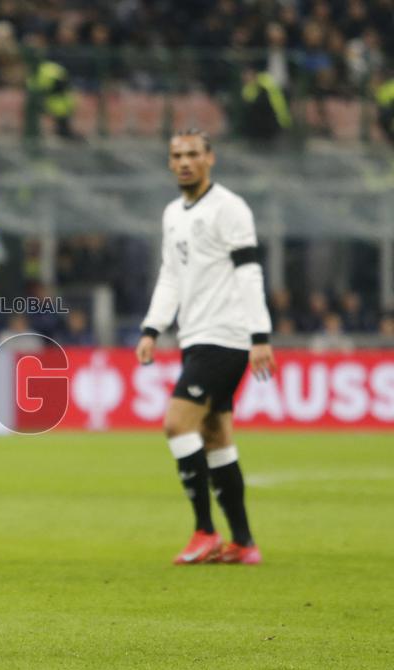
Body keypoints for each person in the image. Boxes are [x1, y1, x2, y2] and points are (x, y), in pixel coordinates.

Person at [135, 129, 276, 566]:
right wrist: (153, 327)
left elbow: (250, 273)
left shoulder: (230, 208)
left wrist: (260, 336)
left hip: (227, 336)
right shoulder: (173, 213)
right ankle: (244, 542)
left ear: (210, 158)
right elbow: (171, 276)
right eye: (177, 155)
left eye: (193, 154)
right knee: (216, 436)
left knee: (178, 424)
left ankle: (205, 531)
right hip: (196, 336)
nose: (184, 162)